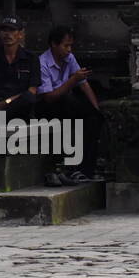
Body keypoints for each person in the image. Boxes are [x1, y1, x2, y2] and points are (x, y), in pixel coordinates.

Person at [37, 25, 104, 184]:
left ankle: (85, 170)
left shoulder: (69, 58)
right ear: (54, 44)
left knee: (93, 120)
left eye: (70, 46)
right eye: (65, 45)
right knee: (68, 102)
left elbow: (84, 84)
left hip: (67, 103)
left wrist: (95, 109)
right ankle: (70, 168)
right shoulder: (42, 63)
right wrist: (72, 80)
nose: (69, 50)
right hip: (49, 106)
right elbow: (49, 97)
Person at [0, 16, 39, 119]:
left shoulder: (31, 58)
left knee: (29, 98)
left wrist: (7, 102)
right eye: (4, 30)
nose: (7, 34)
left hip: (19, 107)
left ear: (21, 34)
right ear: (0, 34)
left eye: (12, 30)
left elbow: (32, 90)